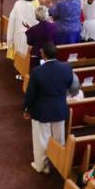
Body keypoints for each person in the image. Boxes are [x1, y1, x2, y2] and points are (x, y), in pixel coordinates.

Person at [23, 43, 77, 173]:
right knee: (59, 140)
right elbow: (71, 86)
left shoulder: (37, 71)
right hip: (59, 109)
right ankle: (58, 165)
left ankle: (42, 166)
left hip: (42, 111)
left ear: (43, 54)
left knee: (42, 140)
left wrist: (26, 108)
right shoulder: (67, 67)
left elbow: (31, 94)